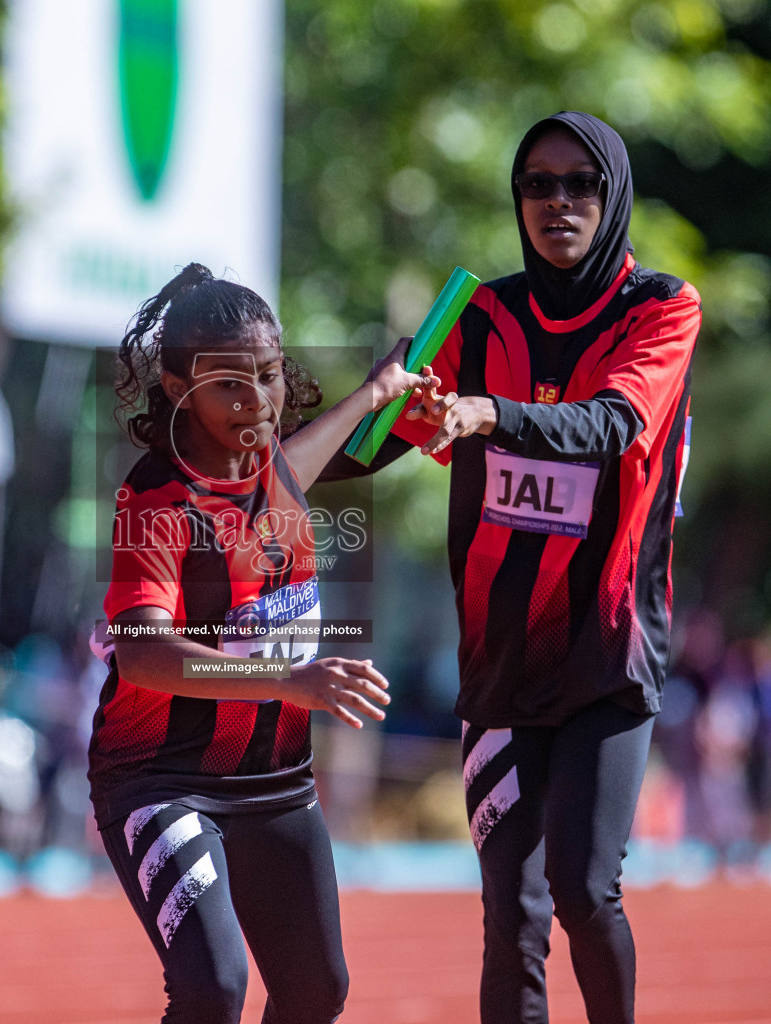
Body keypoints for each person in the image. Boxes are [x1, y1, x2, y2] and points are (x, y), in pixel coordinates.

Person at [322, 111, 699, 1023]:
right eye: (538, 183)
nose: (558, 201)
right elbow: (380, 440)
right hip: (498, 663)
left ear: (612, 198)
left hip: (607, 653)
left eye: (581, 183)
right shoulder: (480, 316)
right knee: (511, 915)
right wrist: (259, 460)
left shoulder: (661, 307)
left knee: (581, 888)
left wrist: (489, 414)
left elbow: (613, 426)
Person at [95, 263, 431, 1023]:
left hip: (275, 783)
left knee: (318, 991)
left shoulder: (268, 468)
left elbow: (309, 451)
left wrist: (383, 393)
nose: (259, 402)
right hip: (162, 780)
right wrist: (290, 681)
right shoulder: (156, 500)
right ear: (180, 387)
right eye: (230, 386)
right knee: (214, 989)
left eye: (271, 377)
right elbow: (143, 657)